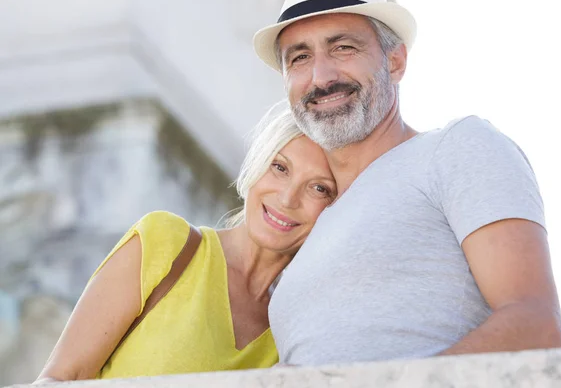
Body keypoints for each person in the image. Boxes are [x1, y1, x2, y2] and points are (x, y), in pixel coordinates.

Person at [252, 0, 561, 366]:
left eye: (343, 48)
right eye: (300, 58)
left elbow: (536, 326)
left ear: (396, 61)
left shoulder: (454, 148)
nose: (321, 77)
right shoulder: (310, 222)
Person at [34, 103, 337, 382]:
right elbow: (61, 377)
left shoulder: (293, 332)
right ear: (257, 164)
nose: (287, 198)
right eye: (280, 167)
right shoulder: (166, 243)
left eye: (319, 188)